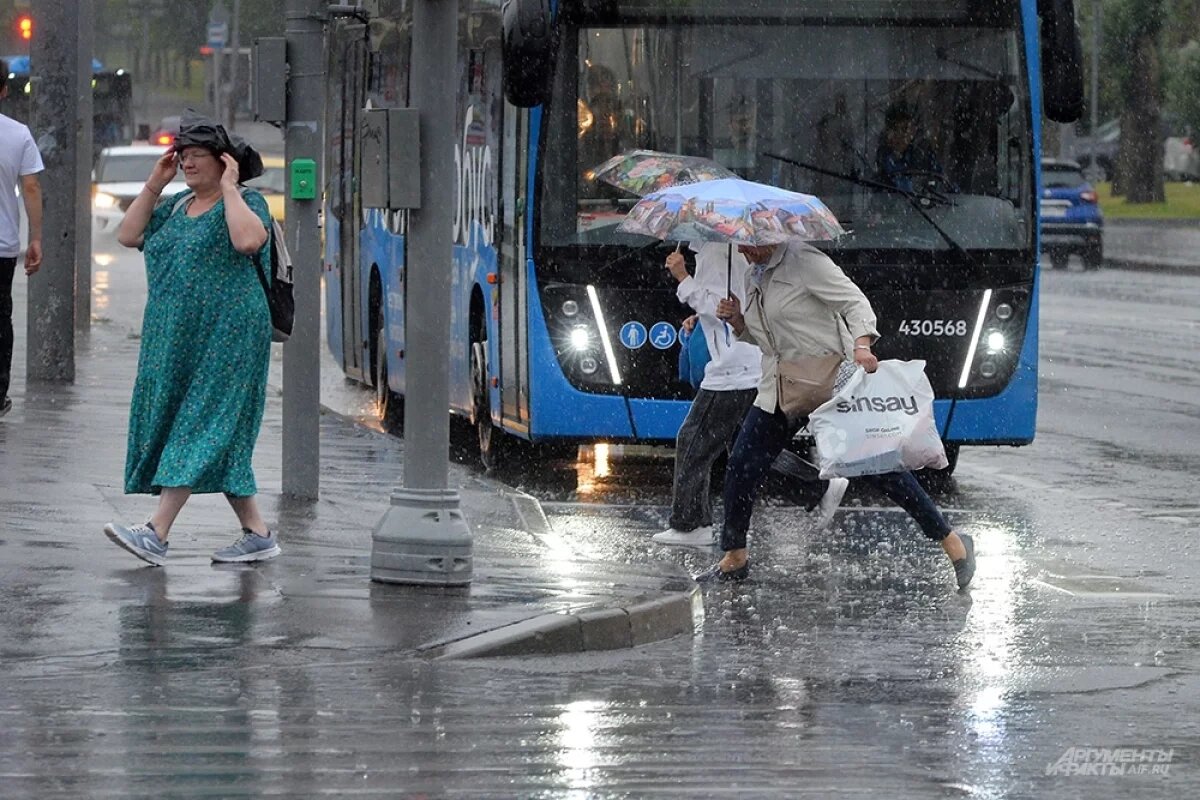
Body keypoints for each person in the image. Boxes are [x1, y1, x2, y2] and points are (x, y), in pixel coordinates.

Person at [699, 239, 975, 589]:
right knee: (742, 463)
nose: (742, 251)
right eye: (739, 244)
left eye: (749, 244)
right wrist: (739, 320)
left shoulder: (805, 262)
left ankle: (952, 542)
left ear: (772, 236)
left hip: (830, 381)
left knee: (879, 468)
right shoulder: (756, 275)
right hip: (781, 386)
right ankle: (734, 557)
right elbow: (768, 338)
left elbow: (855, 302)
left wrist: (862, 347)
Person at [103, 112, 279, 566]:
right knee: (217, 432)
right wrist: (153, 184)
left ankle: (156, 532)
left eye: (197, 156)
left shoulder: (247, 203)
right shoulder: (175, 206)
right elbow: (128, 234)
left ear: (225, 161)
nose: (186, 164)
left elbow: (247, 243)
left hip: (230, 334)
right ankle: (257, 532)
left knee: (200, 423)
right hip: (177, 338)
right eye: (182, 156)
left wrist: (230, 189)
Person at [653, 242, 848, 548]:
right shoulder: (721, 250)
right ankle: (816, 486)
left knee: (692, 440)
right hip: (744, 363)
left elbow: (719, 306)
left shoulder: (717, 252)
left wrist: (683, 278)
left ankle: (690, 524)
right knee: (747, 451)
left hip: (731, 368)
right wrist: (699, 316)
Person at [0, 59, 44, 419]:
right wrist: (37, 238)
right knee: (1, 317)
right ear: (3, 90)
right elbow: (30, 186)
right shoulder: (18, 134)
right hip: (2, 245)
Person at [875, 103, 948, 193]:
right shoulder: (878, 161)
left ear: (913, 132)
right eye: (894, 129)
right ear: (887, 132)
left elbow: (945, 189)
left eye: (904, 129)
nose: (899, 135)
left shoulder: (925, 159)